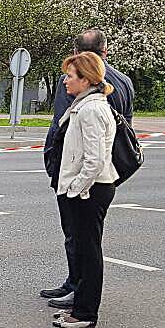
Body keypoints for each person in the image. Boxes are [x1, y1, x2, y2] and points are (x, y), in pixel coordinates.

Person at [41, 29, 134, 310]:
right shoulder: (124, 82)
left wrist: (72, 184)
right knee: (87, 237)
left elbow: (63, 129)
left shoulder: (88, 100)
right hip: (109, 168)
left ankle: (79, 292)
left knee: (80, 238)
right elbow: (126, 125)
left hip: (83, 175)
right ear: (105, 51)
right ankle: (78, 290)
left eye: (71, 75)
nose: (67, 80)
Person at [51, 51, 118, 328]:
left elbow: (94, 160)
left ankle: (85, 314)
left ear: (86, 79)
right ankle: (80, 309)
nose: (65, 80)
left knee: (89, 254)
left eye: (70, 75)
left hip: (90, 191)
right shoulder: (86, 104)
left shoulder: (91, 109)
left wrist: (76, 190)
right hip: (88, 189)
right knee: (84, 251)